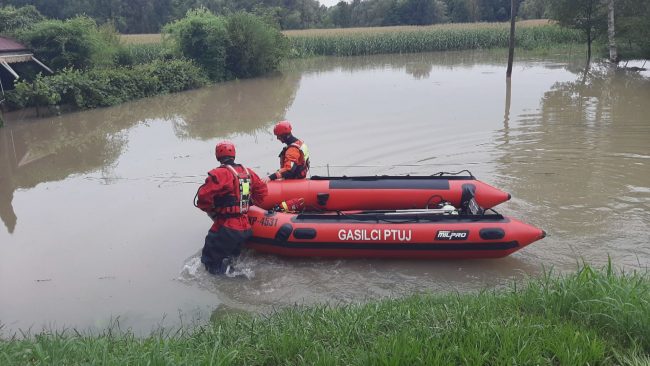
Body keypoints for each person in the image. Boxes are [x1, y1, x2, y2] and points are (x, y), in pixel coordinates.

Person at [194, 140, 267, 275]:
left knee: (209, 263)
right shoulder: (248, 172)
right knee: (233, 260)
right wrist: (249, 202)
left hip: (227, 227)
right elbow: (262, 191)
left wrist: (213, 210)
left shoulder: (219, 174)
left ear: (217, 156)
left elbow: (203, 198)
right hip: (245, 227)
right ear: (234, 154)